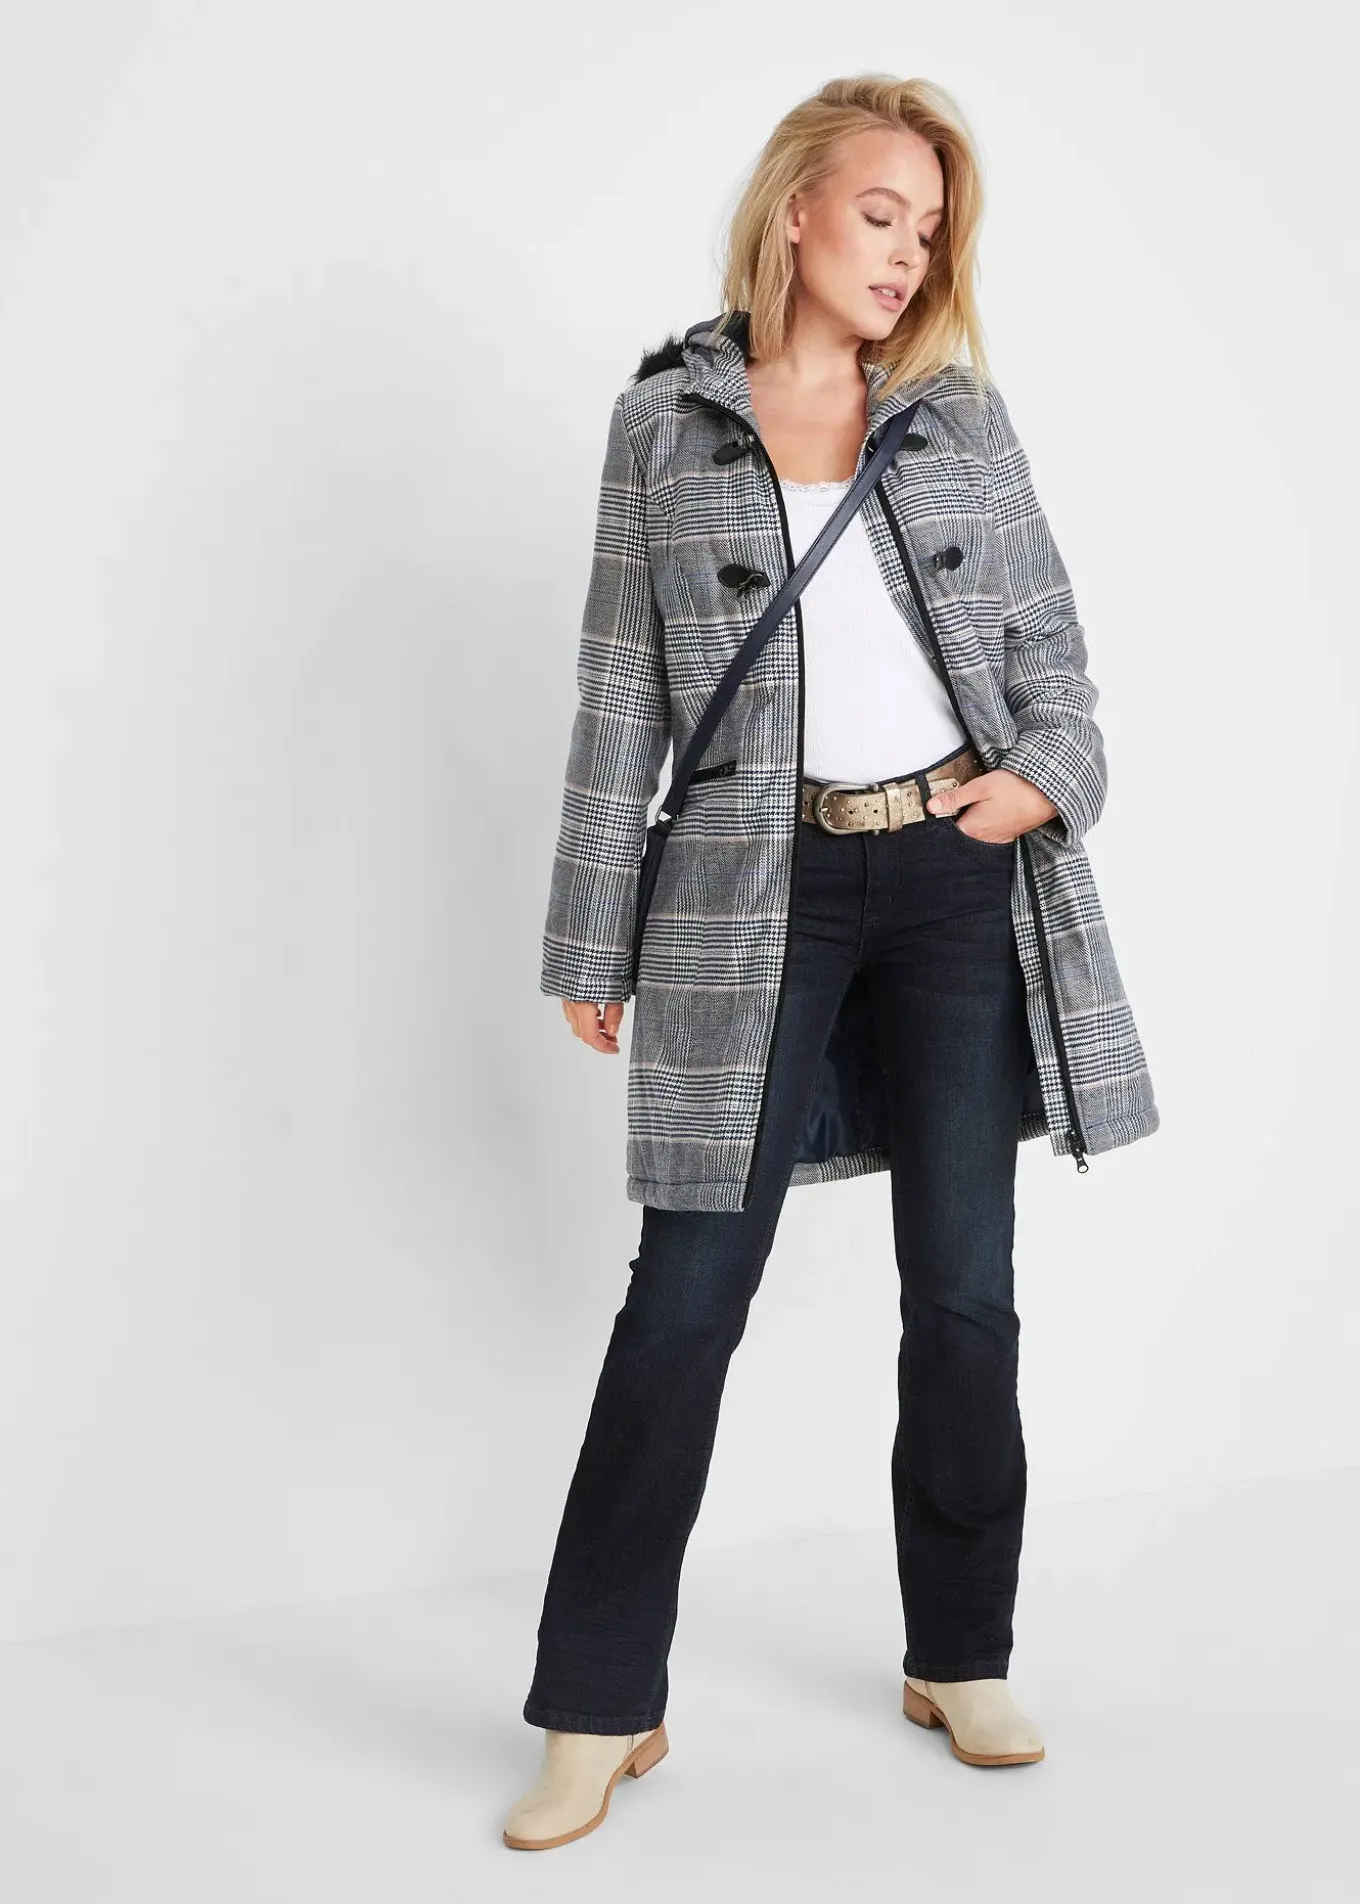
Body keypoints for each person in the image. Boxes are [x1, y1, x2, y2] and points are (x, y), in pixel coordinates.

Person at [503, 73, 1159, 1851]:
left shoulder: (958, 421)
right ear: (794, 207)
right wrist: (592, 931)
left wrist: (1036, 784)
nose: (905, 255)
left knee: (965, 1291)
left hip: (952, 879)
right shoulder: (663, 426)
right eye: (881, 214)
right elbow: (621, 695)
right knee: (684, 1297)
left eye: (929, 231)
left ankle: (961, 1652)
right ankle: (598, 1703)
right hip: (747, 890)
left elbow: (1061, 664)